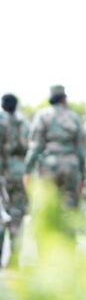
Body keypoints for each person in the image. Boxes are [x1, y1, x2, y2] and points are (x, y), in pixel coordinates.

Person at [24, 86, 85, 209]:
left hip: (49, 165)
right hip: (71, 165)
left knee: (48, 206)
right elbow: (81, 149)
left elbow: (36, 146)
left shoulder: (42, 115)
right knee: (70, 206)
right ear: (64, 99)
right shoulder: (74, 117)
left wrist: (27, 170)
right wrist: (83, 174)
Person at [1, 94, 29, 262]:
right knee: (17, 214)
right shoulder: (24, 122)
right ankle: (15, 257)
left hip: (3, 171)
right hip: (20, 171)